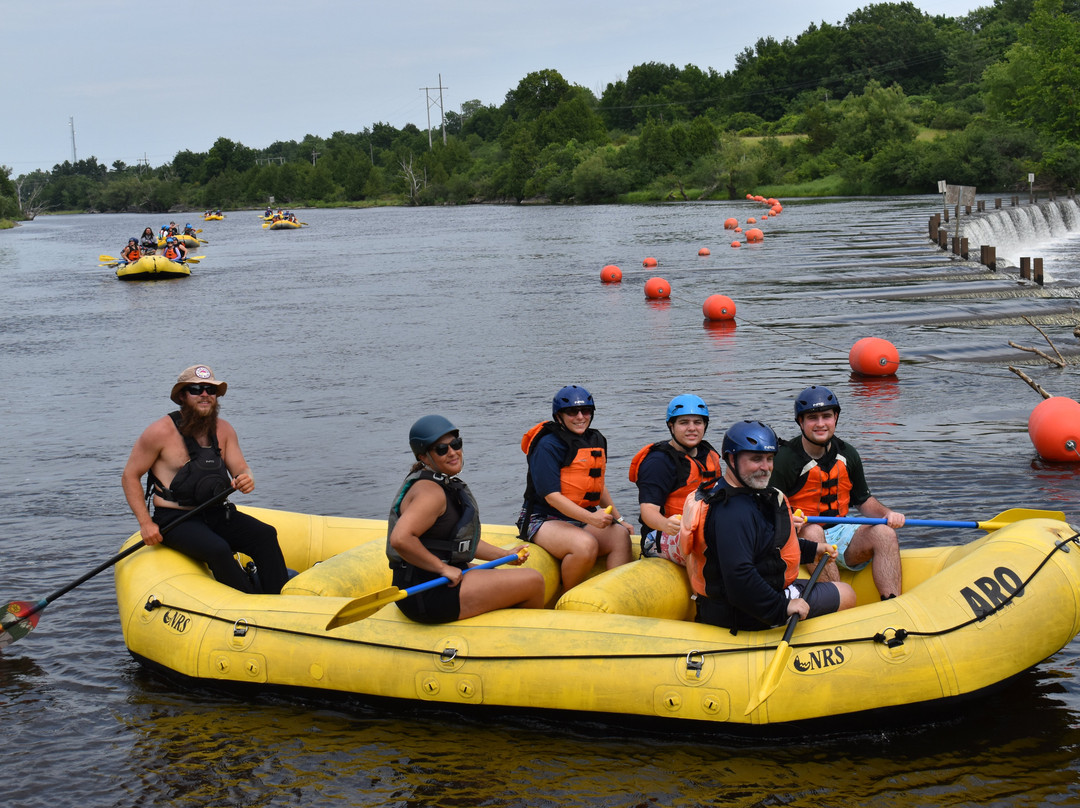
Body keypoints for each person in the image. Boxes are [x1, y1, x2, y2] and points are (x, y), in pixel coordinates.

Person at [121, 365, 288, 594]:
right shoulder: (159, 432)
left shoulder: (224, 430)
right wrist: (146, 524)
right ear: (182, 396)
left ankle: (279, 600)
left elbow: (241, 468)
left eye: (210, 390)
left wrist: (246, 478)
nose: (204, 394)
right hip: (176, 520)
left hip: (217, 512)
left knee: (265, 535)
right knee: (218, 549)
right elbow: (130, 475)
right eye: (196, 389)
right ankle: (246, 603)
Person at [679, 419, 856, 631]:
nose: (765, 467)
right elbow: (739, 578)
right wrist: (784, 606)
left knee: (836, 589)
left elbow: (766, 545)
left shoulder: (748, 495)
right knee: (846, 594)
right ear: (732, 459)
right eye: (756, 459)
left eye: (770, 459)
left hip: (754, 599)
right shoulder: (732, 512)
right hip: (744, 614)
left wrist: (813, 550)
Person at [387, 415, 545, 623]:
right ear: (424, 457)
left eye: (455, 444)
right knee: (533, 581)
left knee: (500, 574)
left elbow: (458, 543)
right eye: (441, 449)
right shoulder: (430, 493)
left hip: (438, 579)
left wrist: (505, 555)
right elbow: (400, 539)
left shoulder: (441, 484)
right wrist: (443, 568)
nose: (452, 452)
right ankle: (524, 641)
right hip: (426, 592)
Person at [770, 385, 904, 600]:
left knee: (885, 533)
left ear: (836, 418)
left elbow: (863, 500)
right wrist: (788, 522)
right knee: (813, 531)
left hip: (842, 531)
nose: (821, 424)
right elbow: (768, 510)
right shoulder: (784, 460)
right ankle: (838, 600)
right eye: (813, 418)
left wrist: (887, 514)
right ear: (801, 422)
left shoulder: (847, 453)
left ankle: (892, 604)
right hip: (802, 537)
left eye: (826, 416)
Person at [517, 385, 633, 590]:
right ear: (559, 416)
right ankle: (569, 597)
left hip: (580, 517)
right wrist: (591, 518)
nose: (580, 417)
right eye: (572, 412)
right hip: (544, 519)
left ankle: (615, 594)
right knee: (585, 545)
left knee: (620, 535)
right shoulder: (547, 445)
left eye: (586, 411)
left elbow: (597, 485)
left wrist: (620, 519)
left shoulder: (595, 440)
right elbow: (551, 496)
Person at [630, 394, 722, 562]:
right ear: (671, 426)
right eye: (684, 422)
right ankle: (704, 587)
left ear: (705, 425)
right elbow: (648, 511)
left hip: (702, 528)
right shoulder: (658, 462)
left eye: (698, 422)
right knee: (703, 542)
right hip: (659, 536)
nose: (692, 428)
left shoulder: (708, 455)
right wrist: (666, 524)